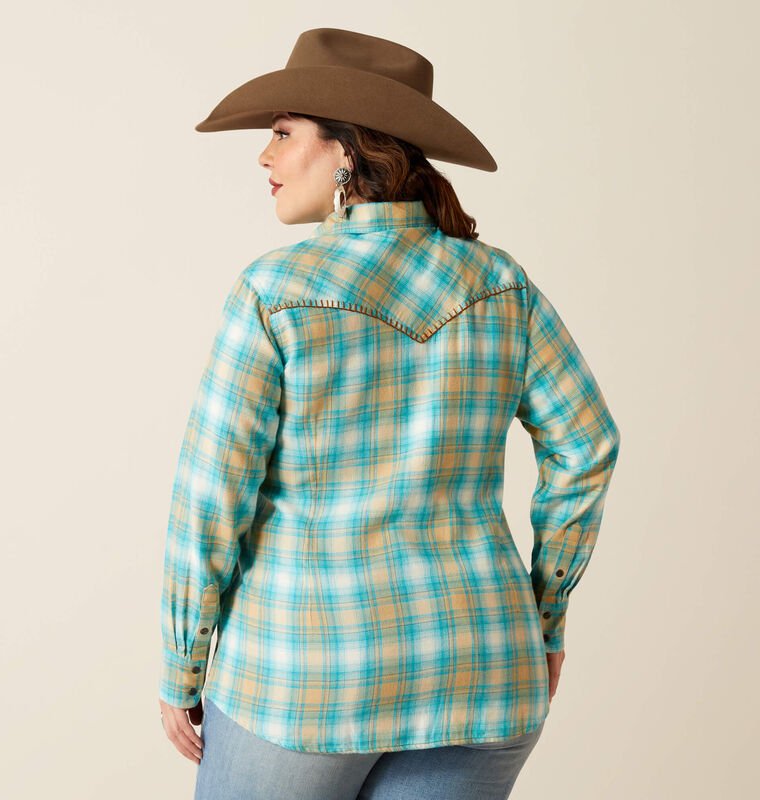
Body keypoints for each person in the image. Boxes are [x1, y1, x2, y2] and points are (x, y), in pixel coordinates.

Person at [158, 27, 621, 800]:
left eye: (282, 133)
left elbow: (211, 496)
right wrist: (543, 618)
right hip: (484, 664)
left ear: (347, 150)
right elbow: (588, 445)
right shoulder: (501, 284)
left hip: (307, 677)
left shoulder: (274, 292)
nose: (264, 157)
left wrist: (182, 660)